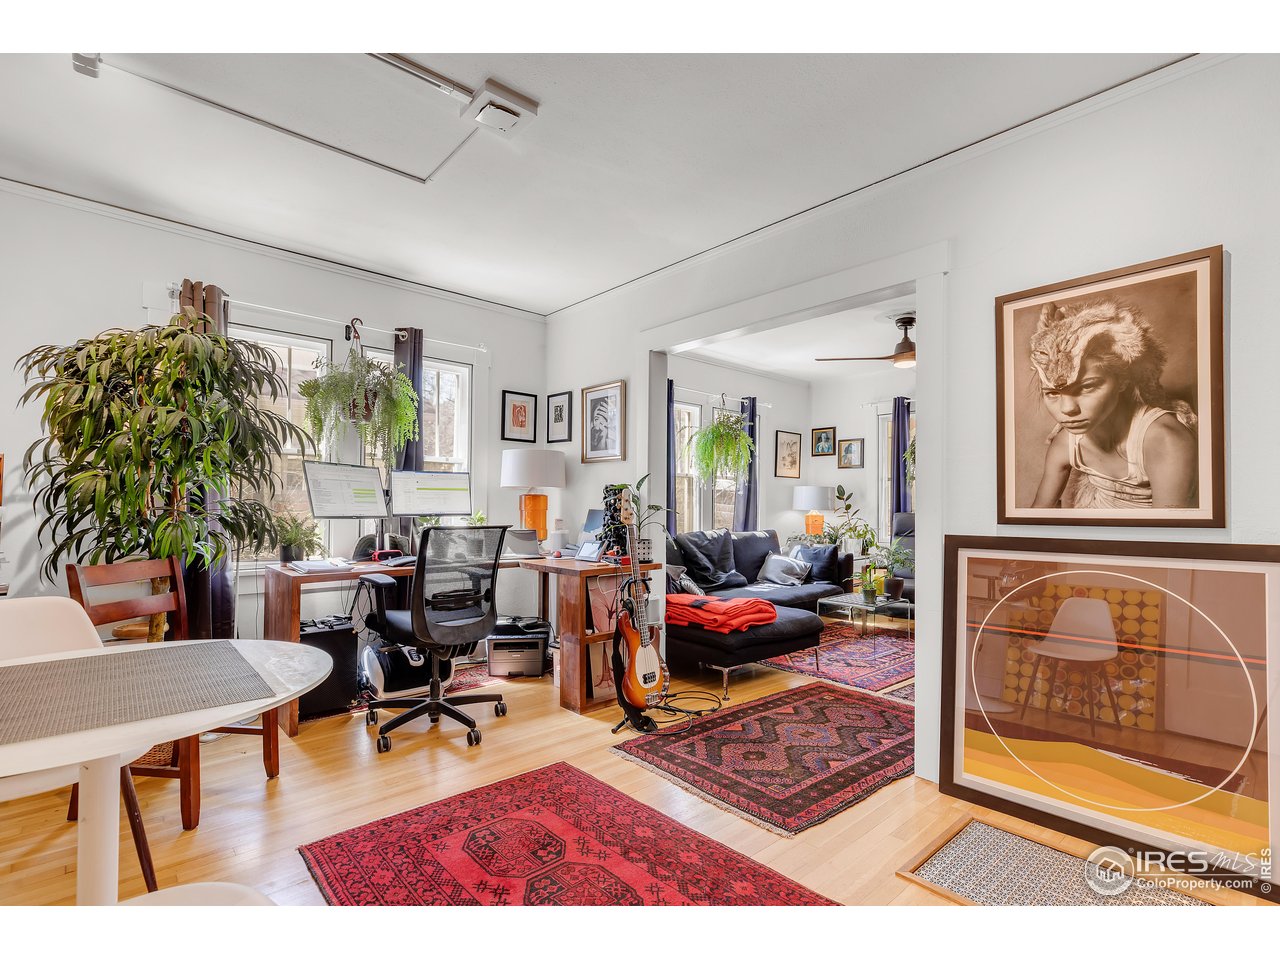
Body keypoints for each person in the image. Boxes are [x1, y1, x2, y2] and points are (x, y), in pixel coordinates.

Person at [1028, 298, 1197, 510]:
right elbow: (1037, 514)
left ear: (1122, 381)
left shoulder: (1164, 440)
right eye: (1053, 393)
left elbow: (1170, 530)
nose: (1067, 409)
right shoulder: (1066, 442)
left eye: (1087, 387)